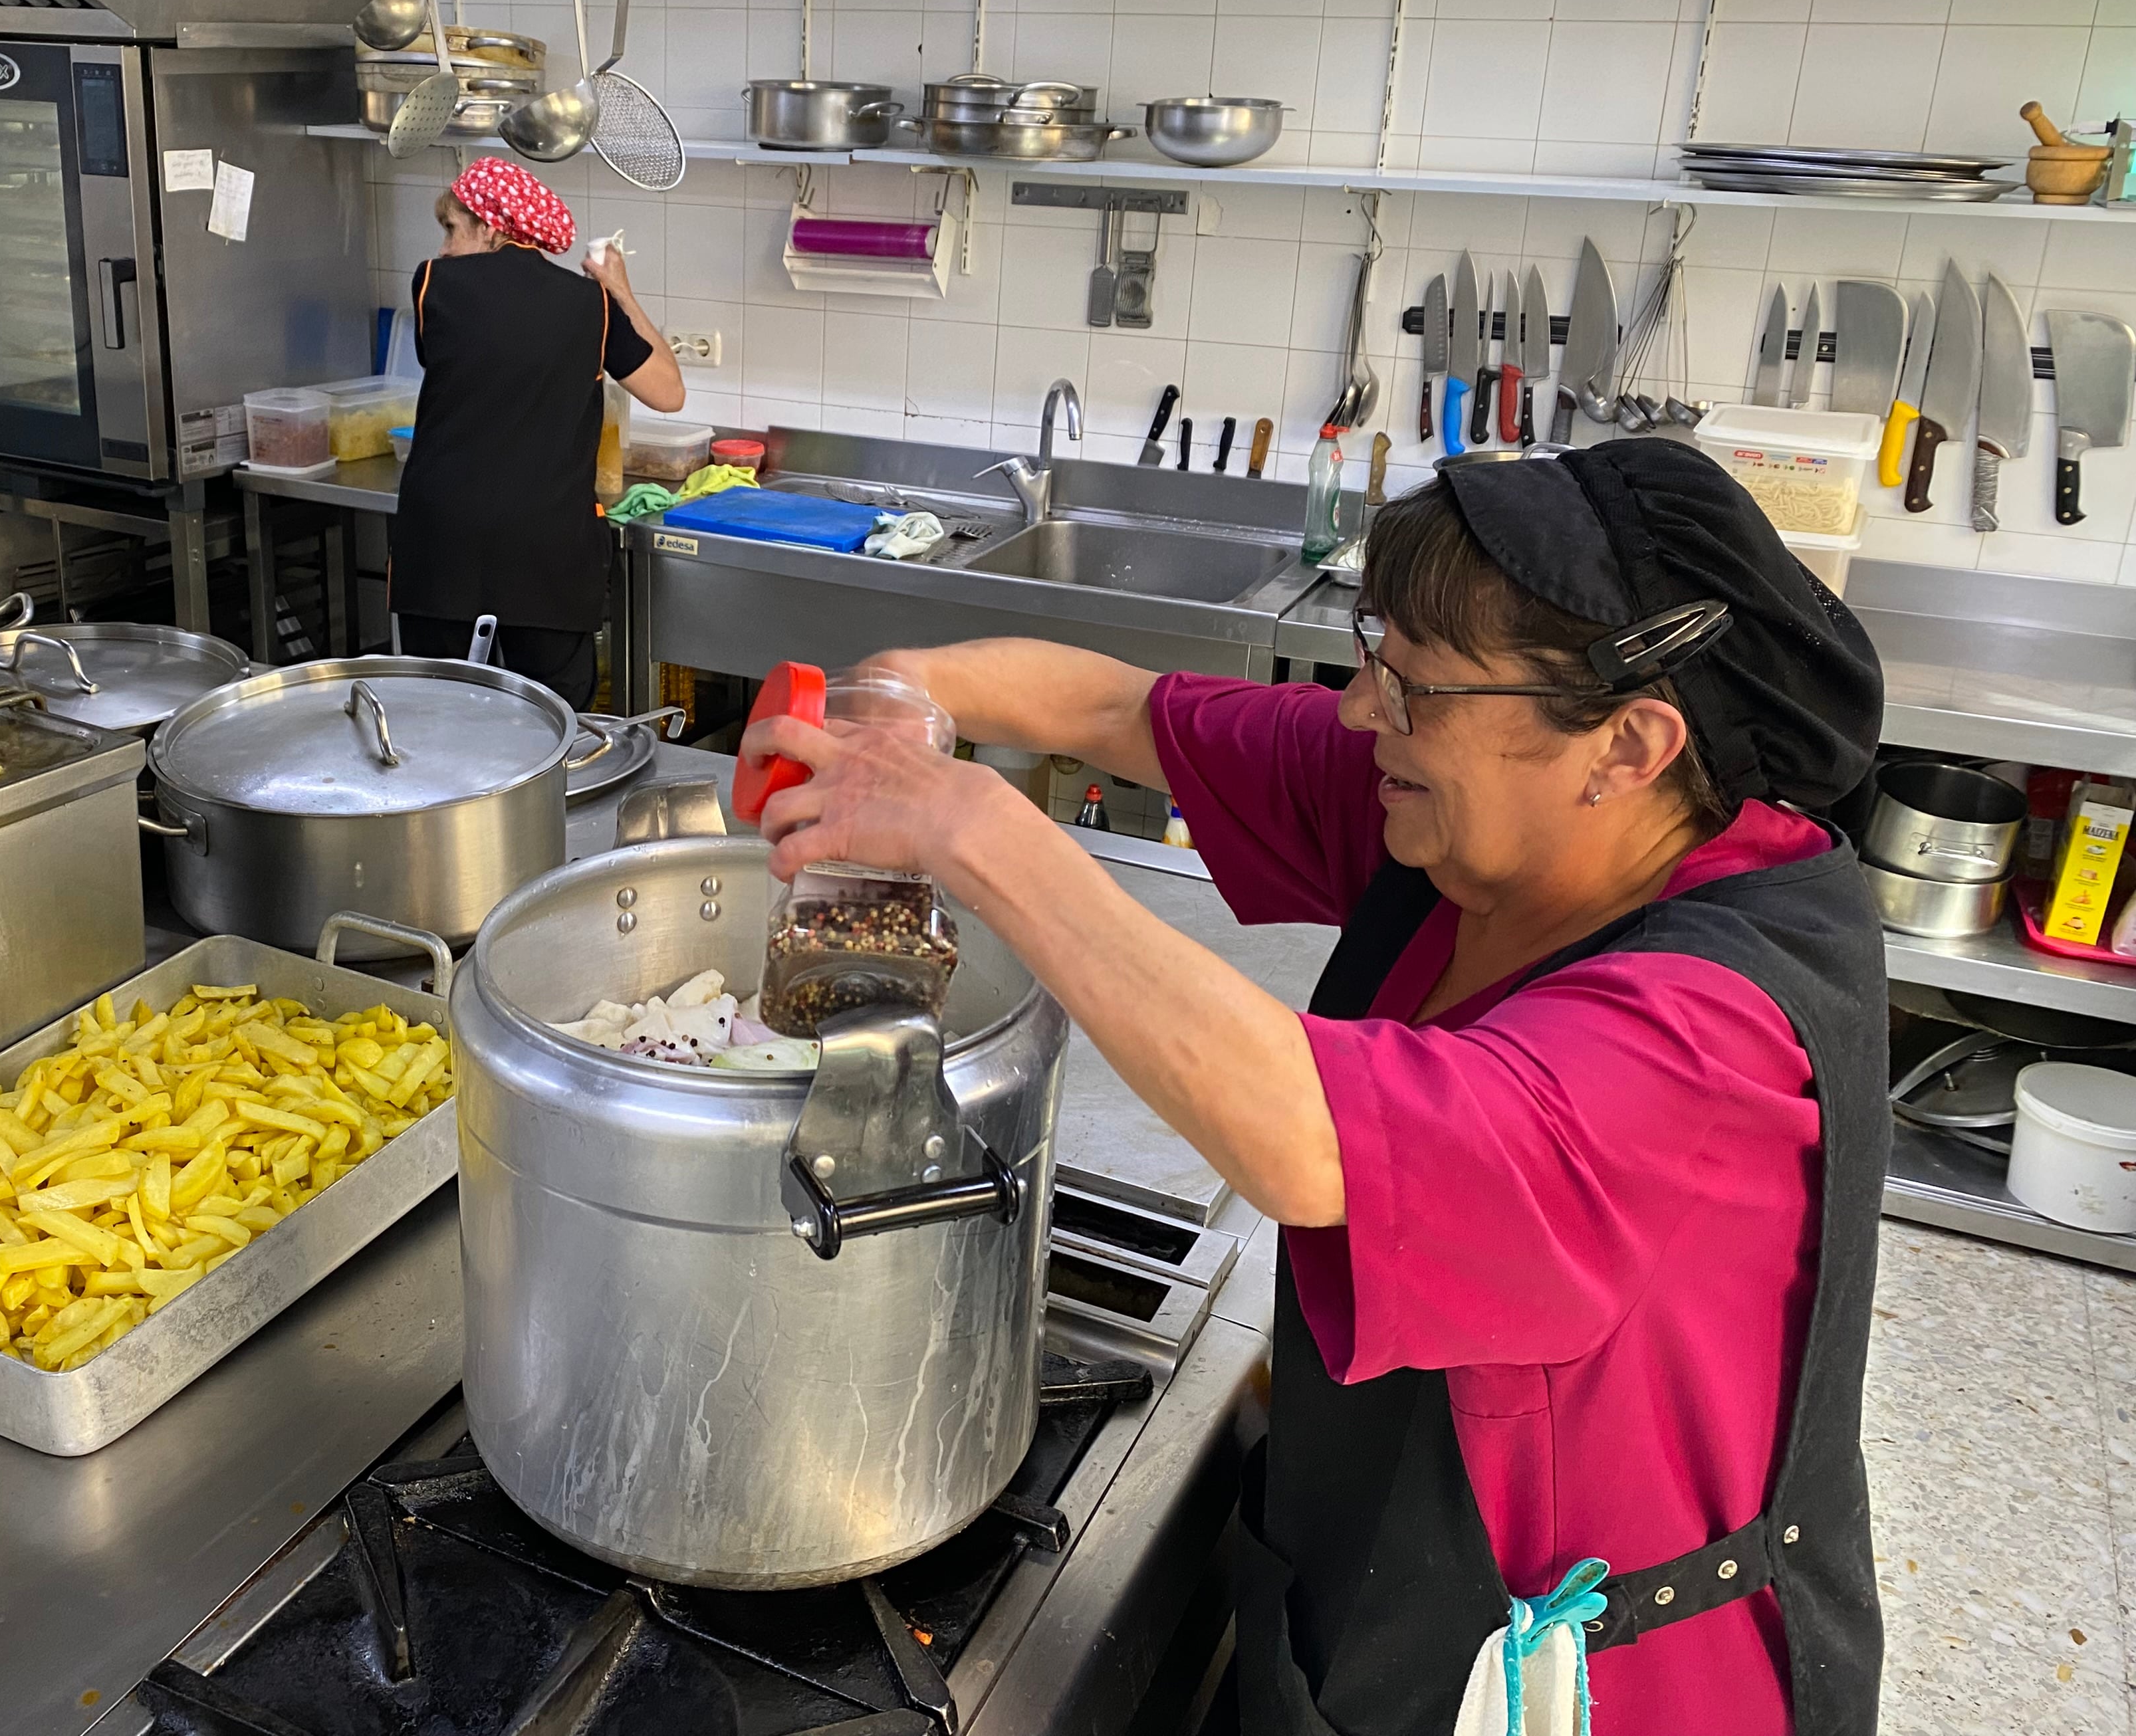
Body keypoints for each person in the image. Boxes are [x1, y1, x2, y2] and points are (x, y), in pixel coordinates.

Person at [742, 439, 1889, 1736]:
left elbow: (1312, 1141)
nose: (1360, 713)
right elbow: (1120, 711)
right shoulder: (1478, 803)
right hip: (1390, 1601)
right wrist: (904, 694)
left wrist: (969, 827)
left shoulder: (1714, 1042)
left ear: (1627, 742)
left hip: (1598, 1690)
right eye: (1374, 657)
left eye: (1415, 689)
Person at [392, 157, 686, 708]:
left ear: (490, 226)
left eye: (452, 230)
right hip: (546, 555)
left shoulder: (434, 285)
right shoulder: (588, 304)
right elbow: (669, 392)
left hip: (442, 549)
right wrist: (618, 289)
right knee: (551, 725)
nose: (446, 248)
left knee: (434, 719)